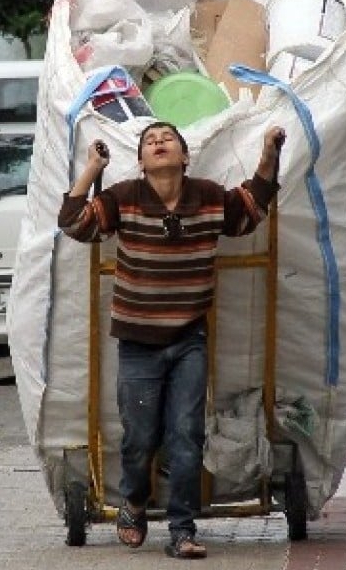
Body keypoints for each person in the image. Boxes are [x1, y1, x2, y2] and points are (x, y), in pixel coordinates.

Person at [58, 120, 285, 559]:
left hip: (188, 340)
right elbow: (73, 223)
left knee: (186, 433)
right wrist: (92, 168)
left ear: (184, 156)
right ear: (141, 162)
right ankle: (135, 503)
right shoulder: (123, 197)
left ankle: (182, 529)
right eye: (149, 142)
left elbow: (253, 207)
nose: (159, 144)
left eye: (167, 139)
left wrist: (269, 152)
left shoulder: (208, 198)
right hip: (138, 343)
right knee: (140, 437)